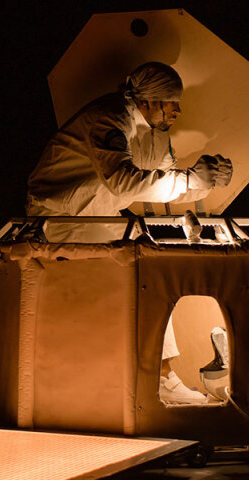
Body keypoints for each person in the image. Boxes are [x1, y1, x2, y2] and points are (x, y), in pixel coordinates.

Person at [26, 62, 233, 404]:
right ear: (147, 101)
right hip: (59, 222)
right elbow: (122, 182)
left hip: (95, 219)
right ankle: (137, 381)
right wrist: (189, 179)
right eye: (171, 101)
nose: (178, 110)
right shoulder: (109, 119)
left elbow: (163, 184)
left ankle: (160, 378)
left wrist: (206, 180)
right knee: (124, 284)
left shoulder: (155, 134)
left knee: (148, 275)